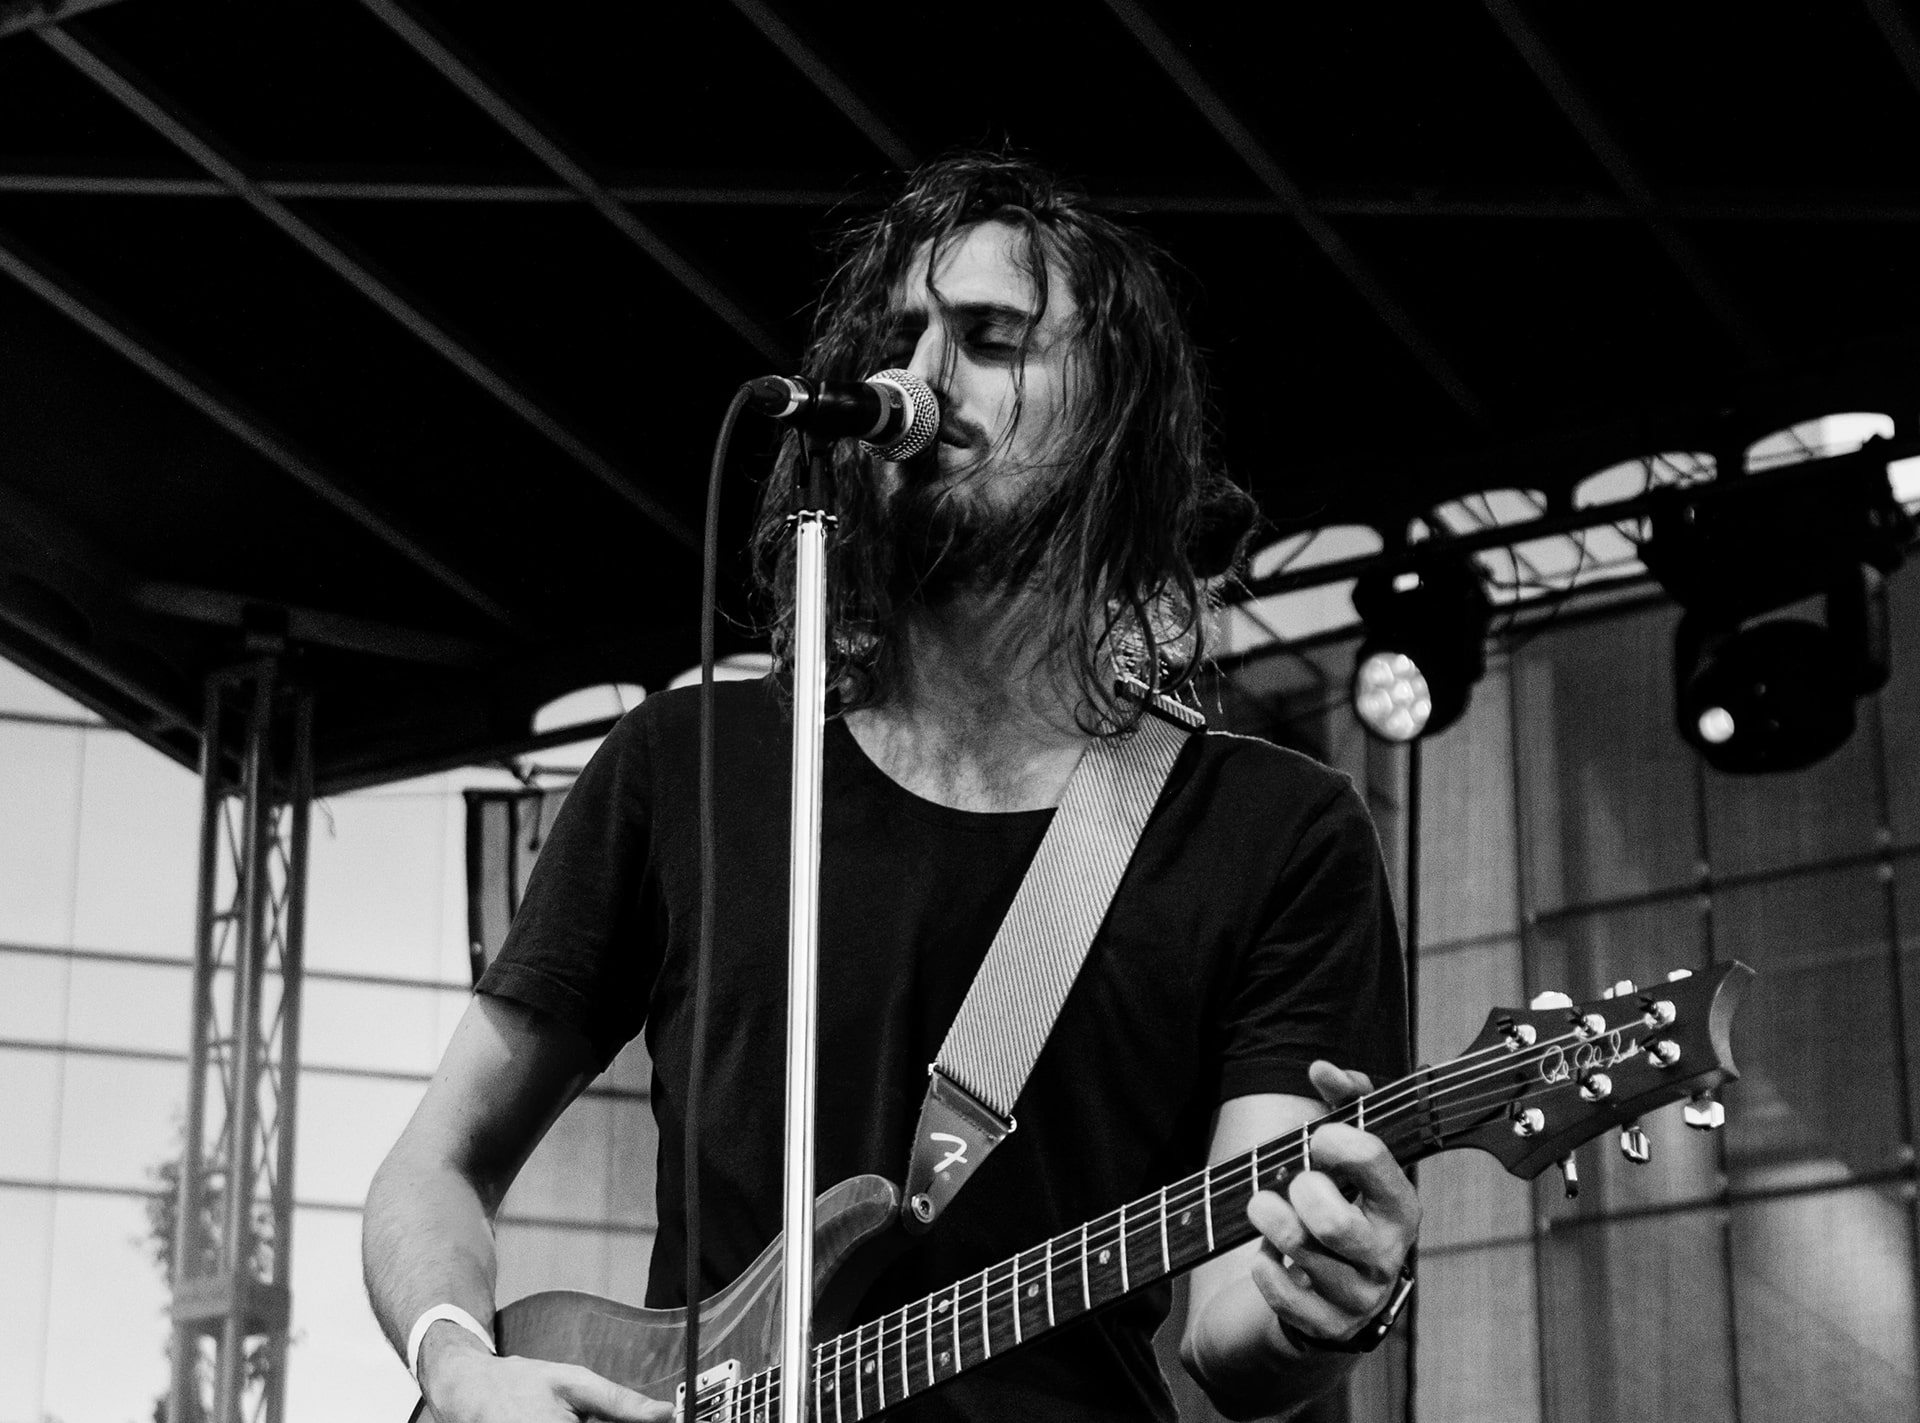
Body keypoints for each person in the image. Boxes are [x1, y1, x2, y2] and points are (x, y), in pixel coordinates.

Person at [363, 154, 1418, 1423]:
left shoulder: (1271, 833)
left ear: (1119, 420)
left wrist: (1323, 1301)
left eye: (990, 337)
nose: (919, 376)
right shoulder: (686, 762)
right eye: (900, 336)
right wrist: (459, 1364)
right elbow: (436, 1162)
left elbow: (1234, 1333)